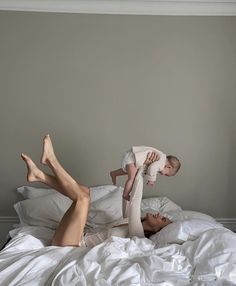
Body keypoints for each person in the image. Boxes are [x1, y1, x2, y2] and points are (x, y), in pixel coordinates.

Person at [21, 135, 172, 247]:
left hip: (71, 246)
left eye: (162, 219)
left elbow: (135, 201)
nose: (159, 214)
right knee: (84, 191)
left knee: (82, 198)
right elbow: (128, 198)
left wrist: (141, 172)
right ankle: (40, 176)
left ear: (157, 230)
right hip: (75, 235)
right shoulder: (128, 221)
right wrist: (141, 165)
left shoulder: (137, 234)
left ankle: (50, 161)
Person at [110, 146, 181, 200]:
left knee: (128, 171)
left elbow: (150, 166)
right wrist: (152, 180)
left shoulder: (161, 157)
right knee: (132, 178)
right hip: (133, 158)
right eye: (166, 174)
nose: (162, 174)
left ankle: (114, 173)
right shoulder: (161, 162)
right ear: (169, 167)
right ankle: (125, 194)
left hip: (132, 156)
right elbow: (152, 168)